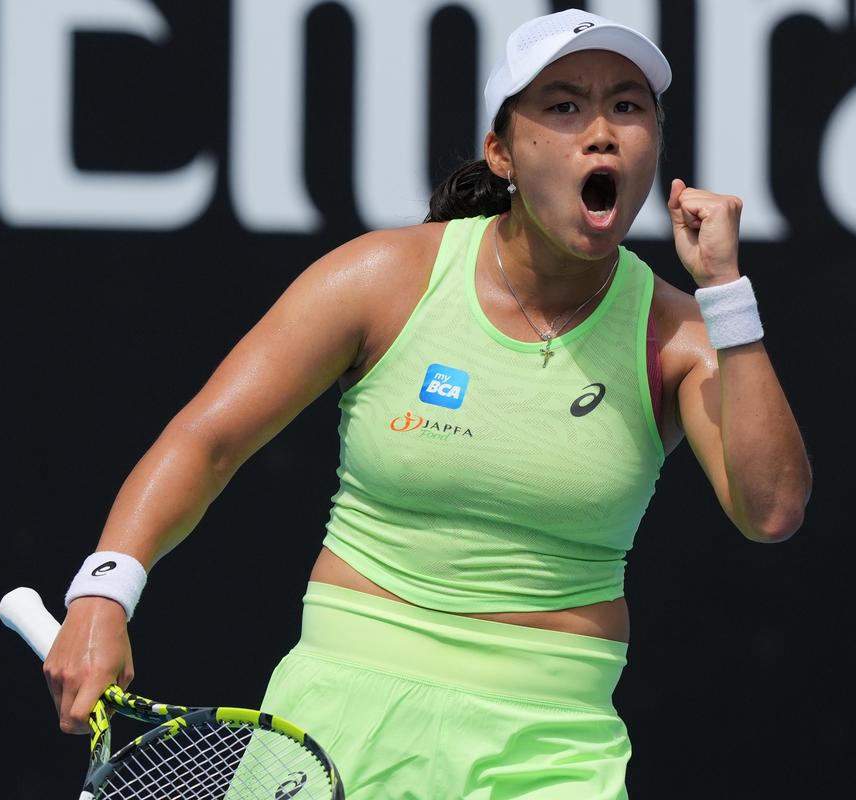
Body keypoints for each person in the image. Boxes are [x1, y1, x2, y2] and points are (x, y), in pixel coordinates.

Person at [43, 8, 812, 798]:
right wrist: (103, 591)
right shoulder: (382, 279)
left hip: (552, 749)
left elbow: (772, 509)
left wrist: (726, 294)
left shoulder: (682, 335)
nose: (601, 134)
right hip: (338, 716)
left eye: (627, 106)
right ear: (501, 152)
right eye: (563, 106)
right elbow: (208, 441)